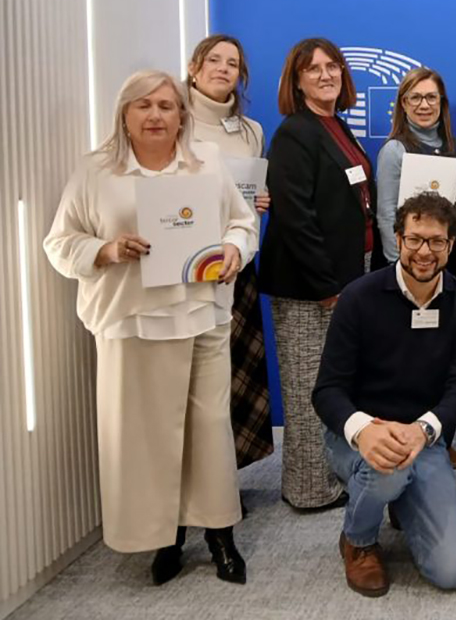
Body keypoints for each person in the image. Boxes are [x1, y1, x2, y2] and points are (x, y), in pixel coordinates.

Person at [44, 70, 257, 585]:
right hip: (132, 322)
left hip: (201, 314)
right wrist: (106, 250)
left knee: (208, 432)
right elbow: (59, 242)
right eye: (144, 106)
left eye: (166, 105)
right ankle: (166, 539)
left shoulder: (206, 164)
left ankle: (220, 534)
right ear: (124, 114)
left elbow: (241, 221)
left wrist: (234, 248)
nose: (157, 115)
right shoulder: (96, 171)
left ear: (182, 113)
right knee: (148, 438)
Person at [312, 193, 456, 596]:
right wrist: (364, 431)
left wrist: (424, 430)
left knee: (453, 571)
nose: (425, 251)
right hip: (357, 437)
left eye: (437, 241)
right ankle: (359, 539)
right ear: (398, 239)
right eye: (415, 239)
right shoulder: (358, 297)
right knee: (389, 469)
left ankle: (398, 496)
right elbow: (327, 390)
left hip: (423, 439)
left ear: (450, 246)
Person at [258, 37, 385, 510]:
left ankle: (334, 476)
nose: (326, 75)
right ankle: (308, 489)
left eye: (332, 67)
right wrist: (328, 287)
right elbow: (294, 216)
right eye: (313, 70)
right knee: (308, 386)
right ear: (297, 80)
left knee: (336, 386)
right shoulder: (295, 131)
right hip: (312, 286)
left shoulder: (336, 126)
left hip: (349, 275)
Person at [185, 34, 275, 474]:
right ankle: (190, 482)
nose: (223, 68)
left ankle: (223, 483)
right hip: (184, 262)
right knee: (193, 383)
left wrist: (260, 199)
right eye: (214, 60)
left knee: (235, 375)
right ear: (194, 66)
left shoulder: (251, 130)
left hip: (238, 261)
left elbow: (251, 192)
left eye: (233, 63)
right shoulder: (175, 121)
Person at [374, 65, 456, 468]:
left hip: (447, 270)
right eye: (415, 98)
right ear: (403, 105)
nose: (424, 105)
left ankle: (440, 437)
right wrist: (404, 270)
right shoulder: (394, 150)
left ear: (441, 104)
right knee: (408, 361)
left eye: (431, 97)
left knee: (444, 356)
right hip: (409, 273)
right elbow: (384, 214)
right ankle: (402, 438)